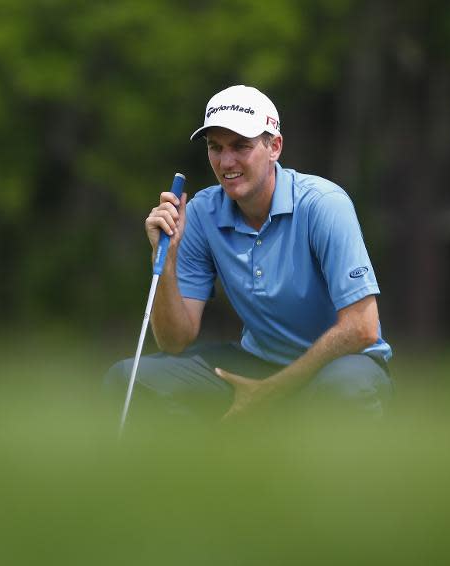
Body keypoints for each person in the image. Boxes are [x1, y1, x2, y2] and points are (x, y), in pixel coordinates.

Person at [105, 85, 393, 421]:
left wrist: (270, 390)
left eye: (241, 146)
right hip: (256, 361)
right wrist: (165, 259)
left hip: (340, 363)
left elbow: (362, 328)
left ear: (275, 147)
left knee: (346, 387)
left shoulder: (324, 204)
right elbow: (174, 341)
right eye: (216, 147)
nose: (226, 161)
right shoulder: (201, 213)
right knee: (128, 378)